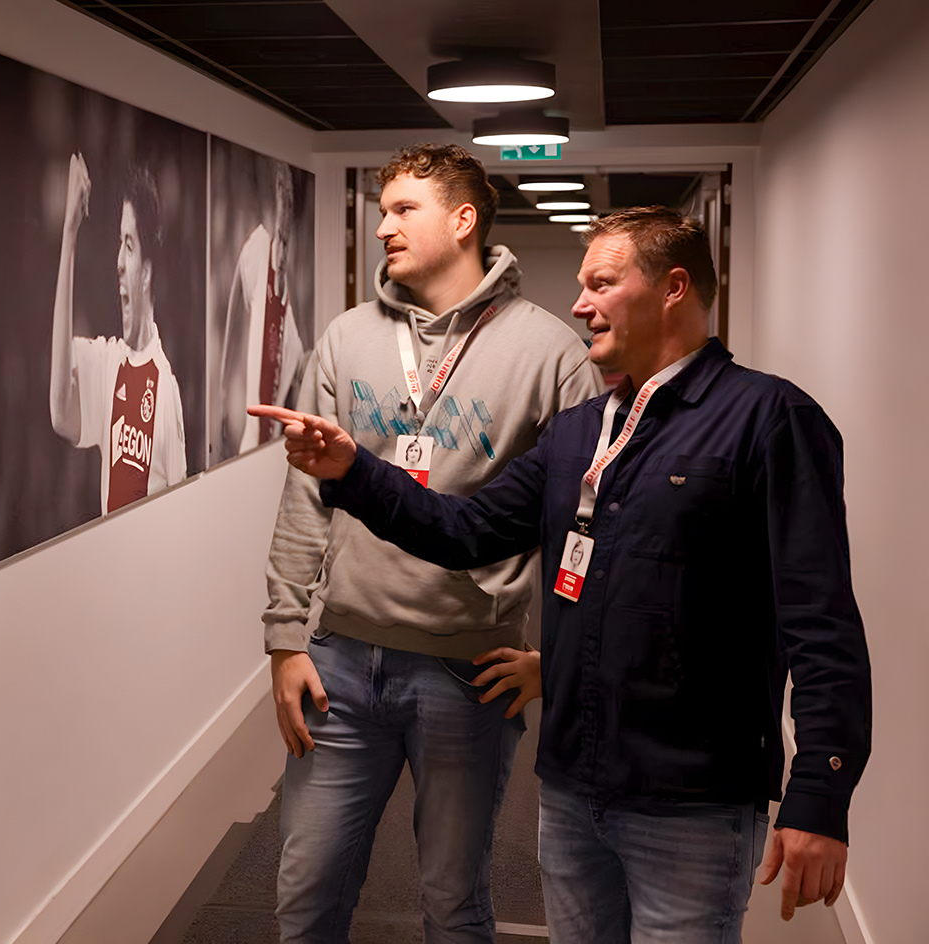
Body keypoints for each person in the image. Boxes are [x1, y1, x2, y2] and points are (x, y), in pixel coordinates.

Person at [253, 205, 871, 943]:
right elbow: (464, 532)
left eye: (601, 284)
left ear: (674, 288)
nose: (580, 304)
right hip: (574, 785)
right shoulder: (582, 432)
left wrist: (821, 792)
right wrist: (355, 471)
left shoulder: (769, 419)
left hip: (691, 801)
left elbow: (820, 622)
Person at [262, 143, 603, 944]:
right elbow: (306, 495)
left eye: (403, 209)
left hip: (468, 671)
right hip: (341, 661)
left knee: (452, 903)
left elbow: (585, 525)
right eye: (382, 211)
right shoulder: (347, 338)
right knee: (305, 894)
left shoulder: (551, 353)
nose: (384, 227)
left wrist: (555, 659)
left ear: (463, 220)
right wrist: (284, 639)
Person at [49, 153, 186, 513]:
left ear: (147, 273)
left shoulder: (165, 390)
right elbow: (60, 411)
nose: (119, 262)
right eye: (119, 243)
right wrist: (69, 234)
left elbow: (181, 511)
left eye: (129, 245)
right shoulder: (109, 363)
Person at [216, 160, 306, 459]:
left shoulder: (287, 302)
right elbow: (232, 333)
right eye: (282, 203)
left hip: (268, 440)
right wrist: (223, 400)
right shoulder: (255, 253)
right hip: (247, 438)